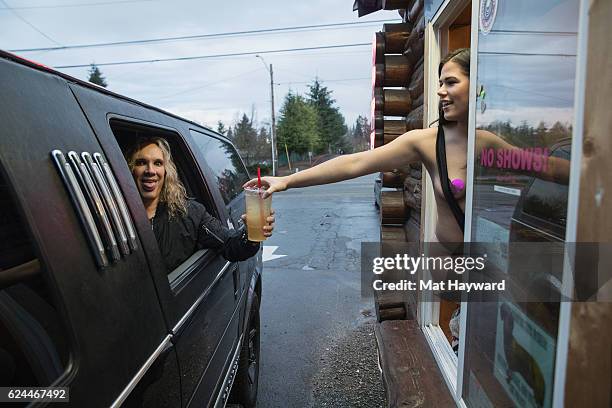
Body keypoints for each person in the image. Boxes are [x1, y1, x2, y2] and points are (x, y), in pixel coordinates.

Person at [244, 47, 569, 242]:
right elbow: (355, 163)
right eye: (439, 82)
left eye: (451, 82)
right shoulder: (426, 142)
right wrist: (287, 180)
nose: (441, 91)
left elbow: (550, 168)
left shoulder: (487, 142)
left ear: (478, 88)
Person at [127, 137, 275, 272]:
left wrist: (250, 234)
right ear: (130, 169)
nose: (150, 170)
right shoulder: (114, 218)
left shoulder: (188, 213)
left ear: (166, 171)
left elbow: (231, 245)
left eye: (158, 163)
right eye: (141, 163)